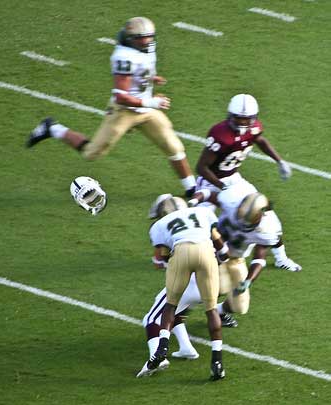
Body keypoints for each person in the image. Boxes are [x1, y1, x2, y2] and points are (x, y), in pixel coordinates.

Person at [26, 17, 196, 197]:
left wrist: (151, 79)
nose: (146, 41)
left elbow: (142, 69)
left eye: (149, 36)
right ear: (131, 38)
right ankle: (52, 128)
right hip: (124, 112)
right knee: (91, 154)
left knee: (174, 147)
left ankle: (192, 189)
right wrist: (151, 102)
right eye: (141, 37)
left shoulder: (147, 46)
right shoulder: (123, 56)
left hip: (147, 110)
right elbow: (121, 97)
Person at [195, 93, 301, 272]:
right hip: (211, 181)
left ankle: (281, 258)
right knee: (201, 225)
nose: (243, 123)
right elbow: (201, 168)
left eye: (247, 119)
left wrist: (279, 160)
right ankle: (185, 257)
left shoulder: (254, 128)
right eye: (239, 118)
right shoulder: (220, 134)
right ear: (230, 116)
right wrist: (222, 187)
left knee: (266, 213)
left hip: (234, 178)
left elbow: (260, 140)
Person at [137, 194, 229, 381]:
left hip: (184, 264)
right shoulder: (202, 212)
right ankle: (215, 360)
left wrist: (168, 261)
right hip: (210, 265)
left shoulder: (160, 225)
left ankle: (160, 350)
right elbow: (223, 250)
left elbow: (161, 258)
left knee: (162, 310)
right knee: (210, 310)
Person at [188, 180, 297, 319]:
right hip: (213, 250)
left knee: (240, 306)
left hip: (236, 258)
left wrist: (249, 280)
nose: (242, 223)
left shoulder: (268, 229)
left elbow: (260, 255)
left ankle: (219, 312)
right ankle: (175, 309)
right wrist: (193, 201)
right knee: (217, 288)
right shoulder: (233, 199)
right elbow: (208, 194)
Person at [137, 273, 238, 378]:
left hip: (192, 283)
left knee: (152, 318)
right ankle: (186, 348)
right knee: (177, 311)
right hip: (214, 285)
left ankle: (157, 355)